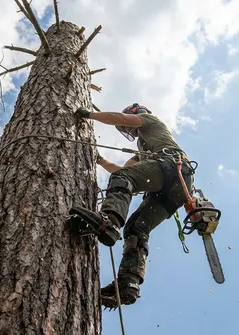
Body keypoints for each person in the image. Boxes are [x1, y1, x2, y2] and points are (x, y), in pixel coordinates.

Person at [68, 103, 195, 309]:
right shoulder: (143, 151)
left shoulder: (151, 121)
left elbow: (117, 118)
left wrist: (88, 114)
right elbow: (121, 170)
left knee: (123, 180)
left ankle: (109, 221)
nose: (128, 130)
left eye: (128, 126)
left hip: (172, 167)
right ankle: (129, 283)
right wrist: (99, 160)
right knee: (136, 228)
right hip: (178, 188)